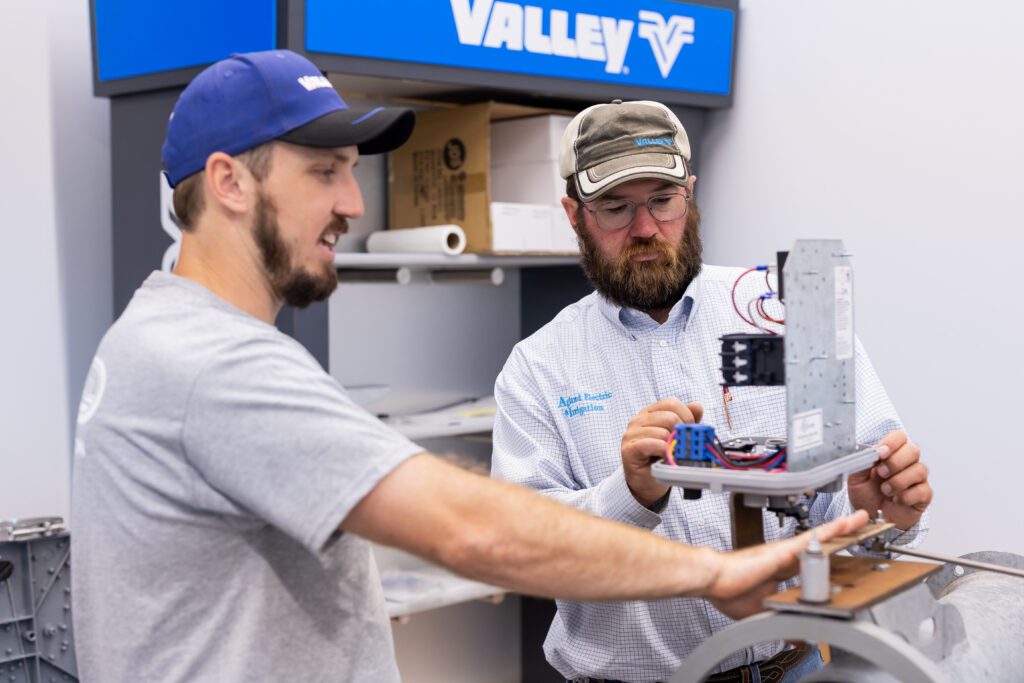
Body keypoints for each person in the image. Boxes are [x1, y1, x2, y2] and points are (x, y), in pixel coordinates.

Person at [69, 53, 868, 682]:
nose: (353, 202)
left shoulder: (162, 334)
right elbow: (473, 528)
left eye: (351, 168)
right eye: (324, 172)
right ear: (227, 182)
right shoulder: (214, 363)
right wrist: (707, 572)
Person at [491, 99, 935, 683]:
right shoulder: (538, 367)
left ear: (691, 195)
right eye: (616, 208)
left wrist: (880, 513)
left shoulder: (785, 312)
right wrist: (628, 493)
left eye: (662, 200)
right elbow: (522, 552)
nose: (645, 228)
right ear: (575, 215)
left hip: (791, 670)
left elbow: (857, 514)